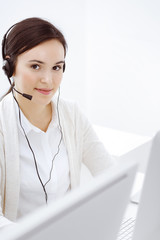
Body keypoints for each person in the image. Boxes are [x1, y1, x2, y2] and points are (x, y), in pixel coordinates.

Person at [0, 17, 113, 228]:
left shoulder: (72, 114)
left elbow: (110, 174)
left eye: (57, 67)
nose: (48, 80)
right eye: (35, 66)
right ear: (10, 67)